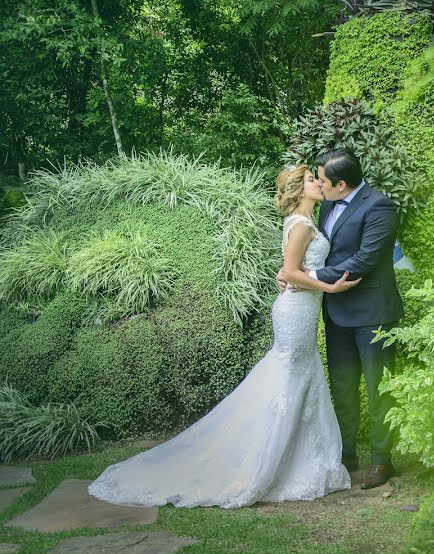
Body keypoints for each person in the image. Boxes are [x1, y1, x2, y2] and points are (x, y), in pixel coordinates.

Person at [88, 165, 358, 509]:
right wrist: (328, 287)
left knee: (297, 377)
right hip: (295, 310)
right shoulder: (302, 225)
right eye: (311, 180)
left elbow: (293, 269)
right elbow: (291, 271)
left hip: (300, 310)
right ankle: (265, 460)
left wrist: (304, 276)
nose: (319, 184)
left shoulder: (304, 222)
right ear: (297, 188)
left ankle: (299, 457)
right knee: (288, 378)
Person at [277, 148, 403, 489]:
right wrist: (290, 270)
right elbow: (309, 247)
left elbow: (363, 260)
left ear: (341, 183)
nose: (318, 183)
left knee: (380, 389)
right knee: (343, 388)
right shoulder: (328, 202)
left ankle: (381, 461)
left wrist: (307, 274)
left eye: (322, 179)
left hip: (373, 314)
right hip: (337, 314)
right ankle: (346, 454)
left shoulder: (380, 207)